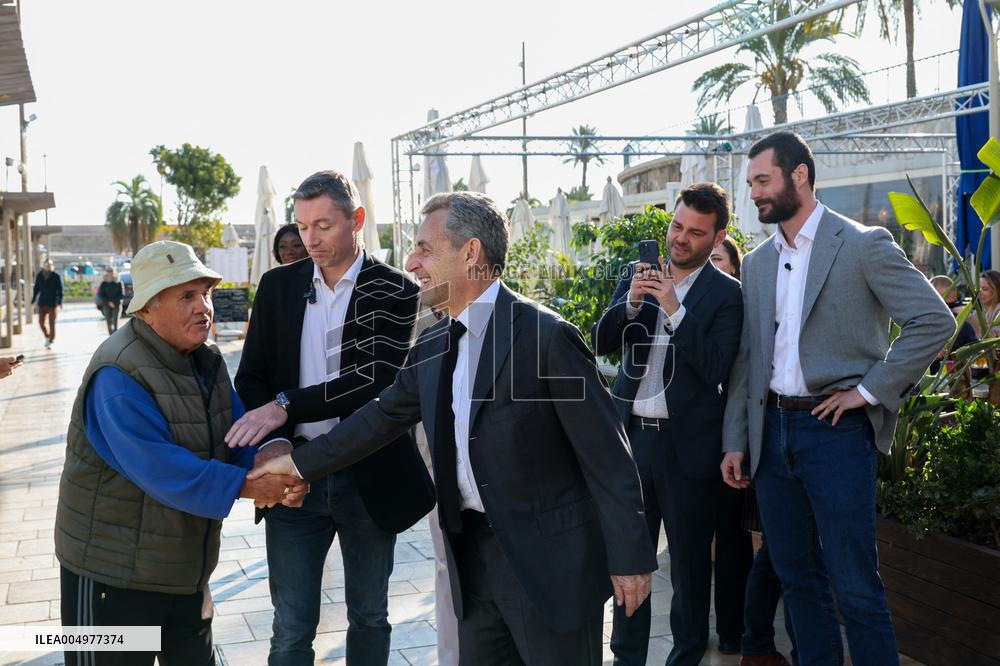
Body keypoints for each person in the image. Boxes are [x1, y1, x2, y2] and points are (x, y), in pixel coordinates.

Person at [244, 191, 657, 664]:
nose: (412, 261)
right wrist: (295, 464)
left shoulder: (546, 337)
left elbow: (608, 456)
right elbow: (376, 421)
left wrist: (631, 557)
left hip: (548, 567)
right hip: (471, 561)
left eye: (424, 248)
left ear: (471, 253)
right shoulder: (434, 342)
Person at [721, 131, 954, 665]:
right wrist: (736, 440)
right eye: (751, 182)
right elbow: (748, 362)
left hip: (836, 435)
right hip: (771, 437)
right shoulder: (756, 264)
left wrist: (868, 390)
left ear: (799, 175)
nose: (754, 192)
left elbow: (933, 320)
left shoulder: (862, 244)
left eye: (763, 180)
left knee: (854, 587)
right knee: (798, 582)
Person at [54, 240, 307, 666]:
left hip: (184, 572)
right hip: (114, 579)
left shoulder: (205, 361)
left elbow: (237, 432)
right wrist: (248, 486)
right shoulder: (117, 373)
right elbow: (161, 468)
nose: (203, 307)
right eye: (186, 296)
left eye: (205, 293)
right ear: (147, 308)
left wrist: (273, 469)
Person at [225, 170, 434, 666]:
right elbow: (250, 379)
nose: (309, 239)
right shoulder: (277, 286)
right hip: (292, 480)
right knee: (291, 627)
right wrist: (275, 442)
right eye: (301, 226)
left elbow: (375, 381)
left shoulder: (397, 290)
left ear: (357, 219)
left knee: (369, 616)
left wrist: (286, 404)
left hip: (370, 475)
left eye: (323, 225)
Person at [593, 183, 751, 665]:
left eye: (694, 232)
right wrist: (634, 304)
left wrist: (674, 310)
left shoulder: (727, 295)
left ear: (717, 235)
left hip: (688, 452)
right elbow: (602, 341)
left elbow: (717, 366)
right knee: (629, 562)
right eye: (676, 226)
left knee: (687, 571)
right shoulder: (636, 273)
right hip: (632, 441)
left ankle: (685, 657)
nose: (680, 238)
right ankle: (627, 659)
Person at [928, 275, 978, 374]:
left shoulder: (964, 324)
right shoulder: (919, 324)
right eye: (942, 303)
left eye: (951, 304)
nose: (948, 310)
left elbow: (976, 356)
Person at [31, 259, 63, 349]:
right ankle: (47, 336)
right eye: (46, 264)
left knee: (51, 322)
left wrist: (60, 303)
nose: (48, 266)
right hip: (42, 303)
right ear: (43, 265)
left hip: (52, 303)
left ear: (52, 266)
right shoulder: (40, 276)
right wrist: (33, 301)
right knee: (41, 322)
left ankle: (51, 340)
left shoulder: (56, 276)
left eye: (50, 264)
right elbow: (36, 289)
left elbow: (60, 290)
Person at [972, 269, 1000, 339]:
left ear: (996, 289)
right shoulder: (978, 312)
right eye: (978, 289)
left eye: (985, 289)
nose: (980, 293)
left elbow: (994, 338)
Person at [97, 266, 125, 335]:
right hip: (106, 304)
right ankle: (110, 335)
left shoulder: (119, 282)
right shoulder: (103, 283)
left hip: (117, 304)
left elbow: (121, 294)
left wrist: (114, 302)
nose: (110, 272)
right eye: (108, 271)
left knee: (116, 321)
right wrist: (109, 302)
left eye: (111, 271)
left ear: (114, 272)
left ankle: (115, 335)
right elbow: (101, 294)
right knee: (108, 321)